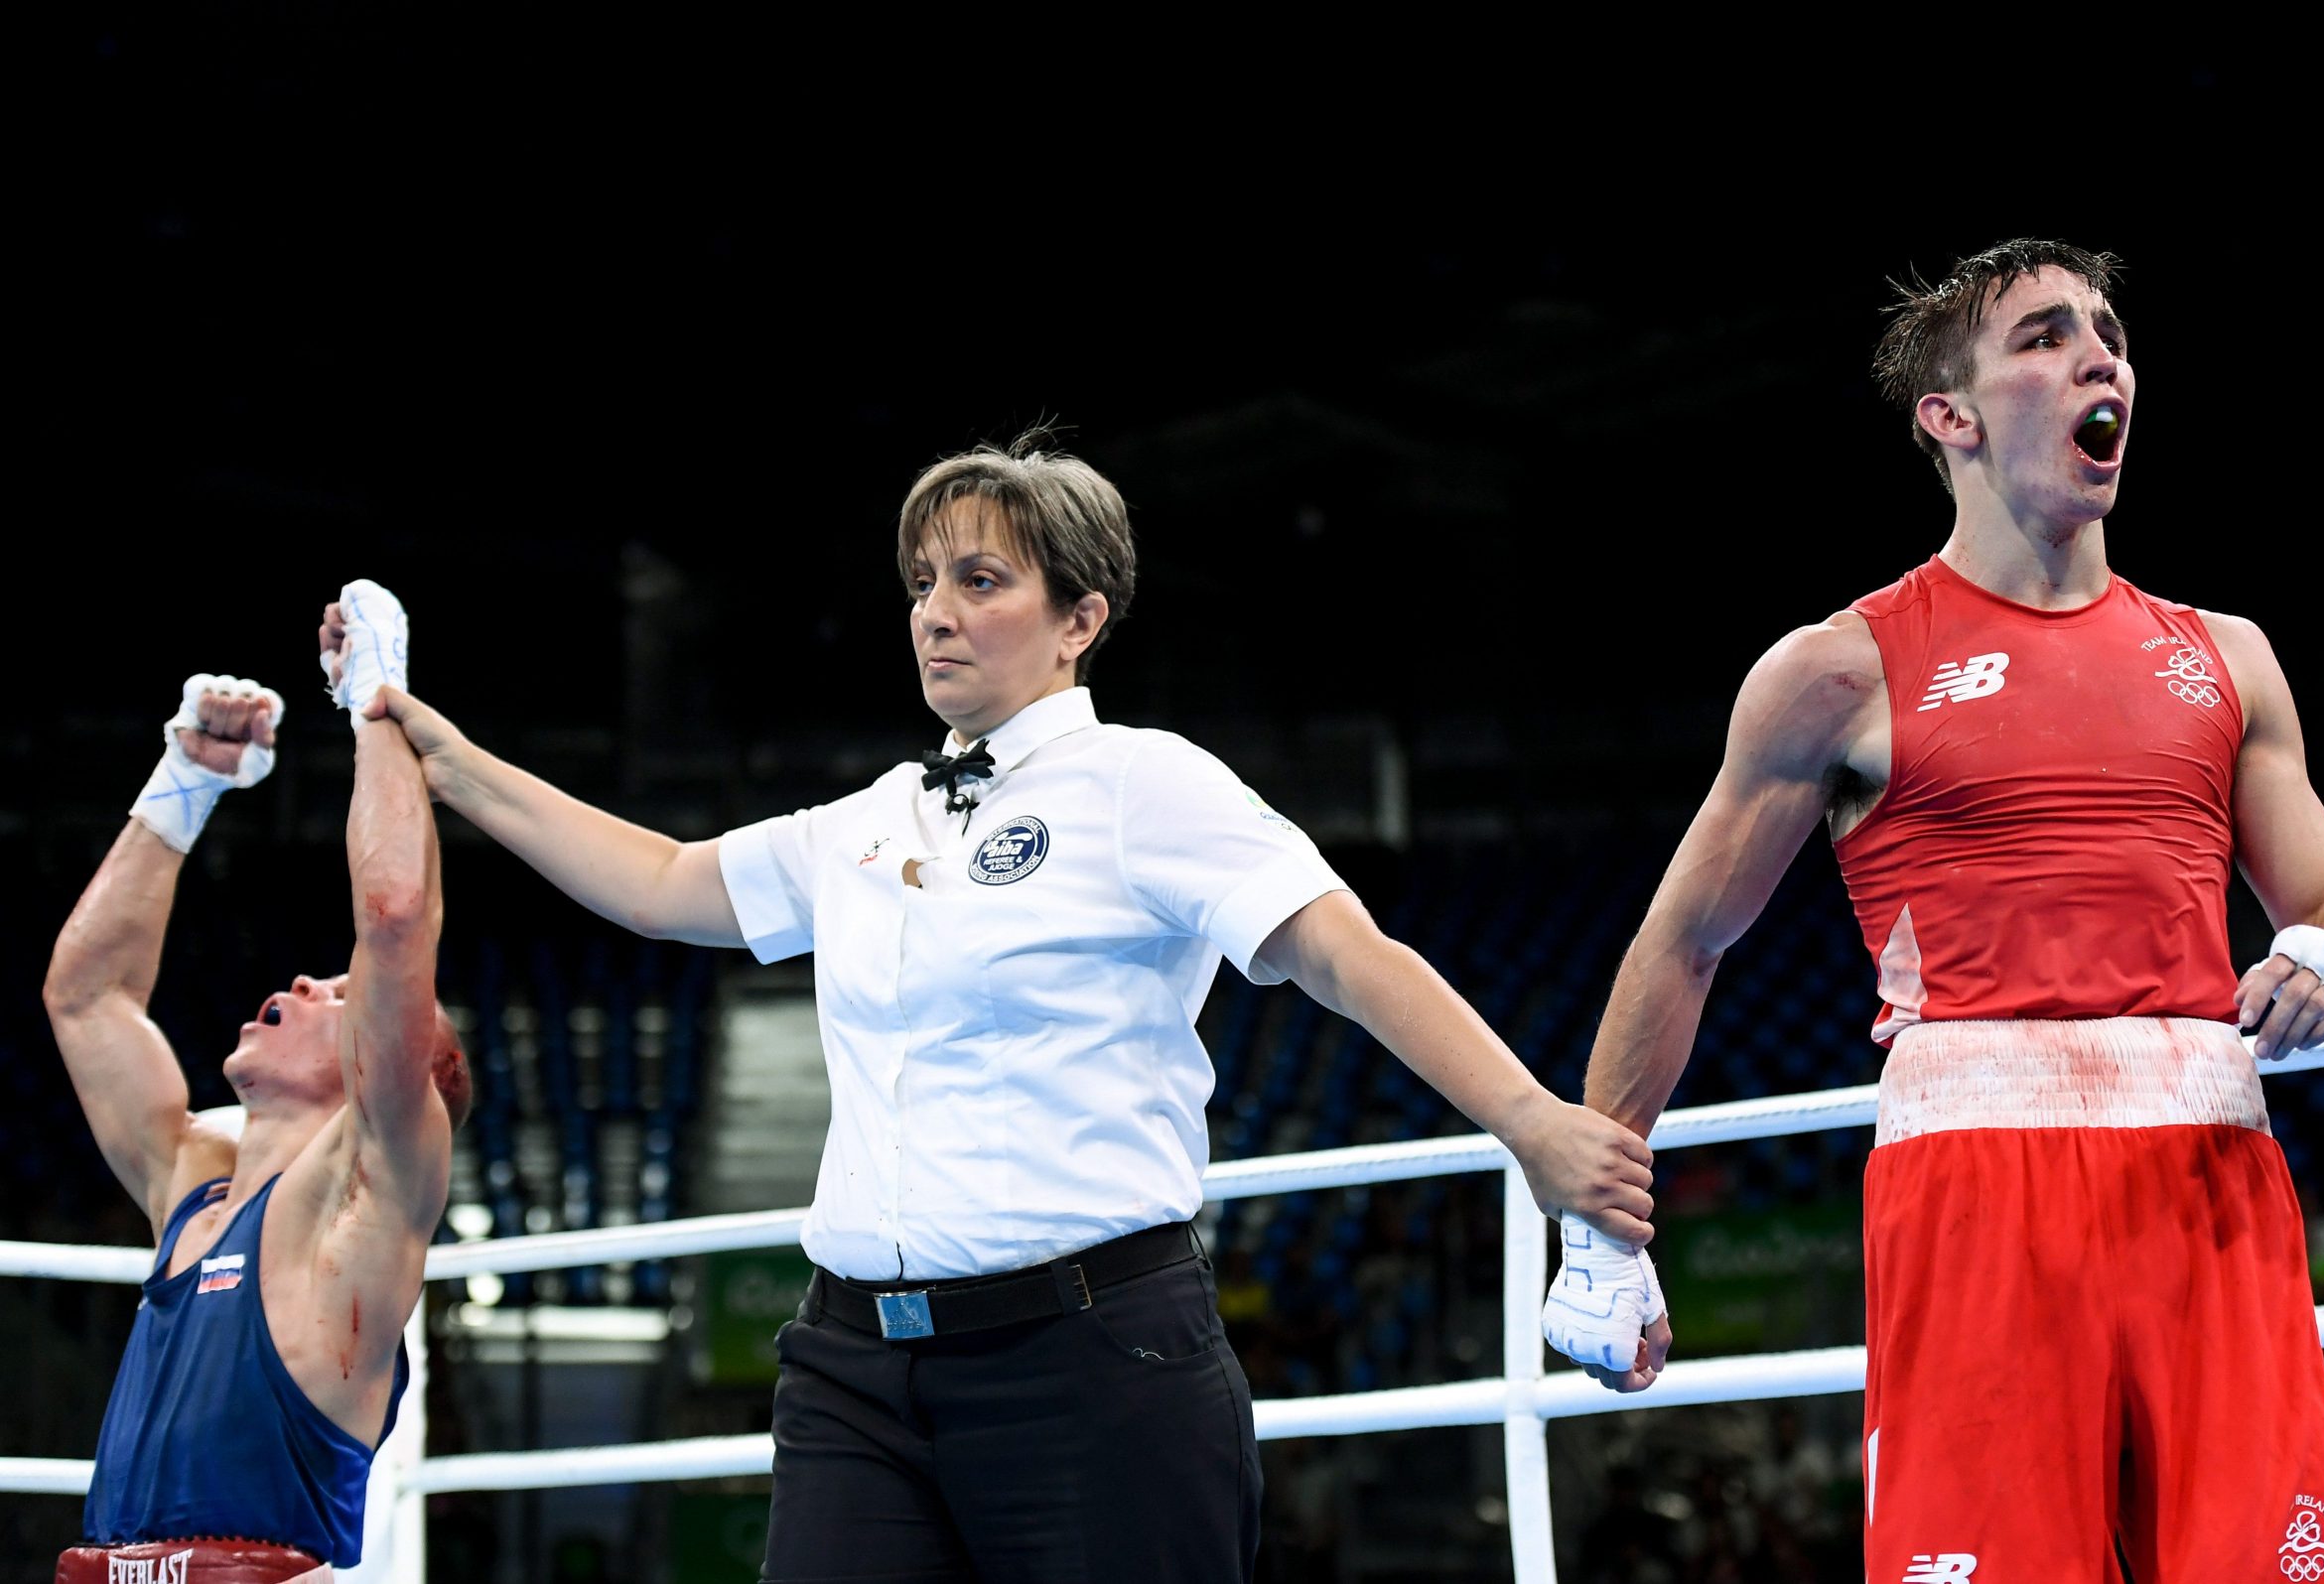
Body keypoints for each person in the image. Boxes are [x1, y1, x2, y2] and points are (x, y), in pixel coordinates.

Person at [360, 435, 1658, 1583]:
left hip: (1091, 1368)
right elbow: (660, 884)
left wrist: (1531, 1124)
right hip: (853, 1370)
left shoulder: (1144, 783)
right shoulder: (877, 817)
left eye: (981, 582)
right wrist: (448, 758)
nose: (937, 612)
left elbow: (1344, 953)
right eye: (923, 583)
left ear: (1080, 619)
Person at [1539, 240, 2324, 1582]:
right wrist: (1602, 1226)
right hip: (1978, 1182)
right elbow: (1685, 942)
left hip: (2214, 1176)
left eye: (2108, 332)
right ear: (1952, 417)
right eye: (2047, 337)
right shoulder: (1841, 671)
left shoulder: (2226, 657)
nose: (2099, 354)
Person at [46, 582, 470, 1584]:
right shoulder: (188, 1179)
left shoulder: (366, 1203)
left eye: (334, 991)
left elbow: (397, 914)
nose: (297, 982)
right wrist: (184, 783)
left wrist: (377, 700)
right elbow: (88, 999)